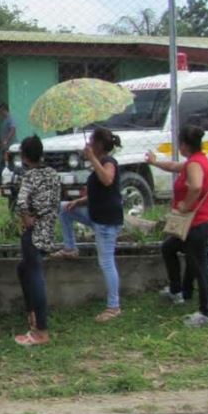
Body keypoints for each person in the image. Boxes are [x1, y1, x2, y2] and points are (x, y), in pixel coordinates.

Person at [148, 124, 208, 327]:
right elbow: (174, 167)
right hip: (194, 225)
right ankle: (177, 291)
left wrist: (185, 206)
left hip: (197, 224)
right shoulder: (196, 161)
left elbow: (196, 186)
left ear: (185, 145)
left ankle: (206, 314)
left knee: (200, 267)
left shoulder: (195, 165)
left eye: (179, 143)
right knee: (169, 247)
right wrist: (155, 162)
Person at [54, 127, 124, 323]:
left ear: (99, 144)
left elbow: (107, 180)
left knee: (106, 263)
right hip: (95, 215)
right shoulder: (100, 163)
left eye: (92, 140)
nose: (89, 144)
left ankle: (113, 306)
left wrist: (92, 158)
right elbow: (100, 193)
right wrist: (79, 202)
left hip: (106, 222)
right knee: (64, 208)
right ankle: (70, 248)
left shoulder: (108, 162)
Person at [13, 135, 61, 347]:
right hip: (48, 229)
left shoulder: (29, 176)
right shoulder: (52, 174)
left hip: (33, 232)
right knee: (24, 269)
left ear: (24, 156)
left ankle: (41, 330)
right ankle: (32, 315)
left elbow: (21, 201)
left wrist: (26, 218)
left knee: (35, 276)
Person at [0, 103, 17, 182]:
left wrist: (6, 140)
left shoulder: (10, 119)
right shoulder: (5, 120)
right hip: (4, 146)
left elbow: (13, 129)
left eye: (0, 111)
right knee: (6, 164)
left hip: (9, 146)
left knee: (5, 163)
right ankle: (0, 181)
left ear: (4, 110)